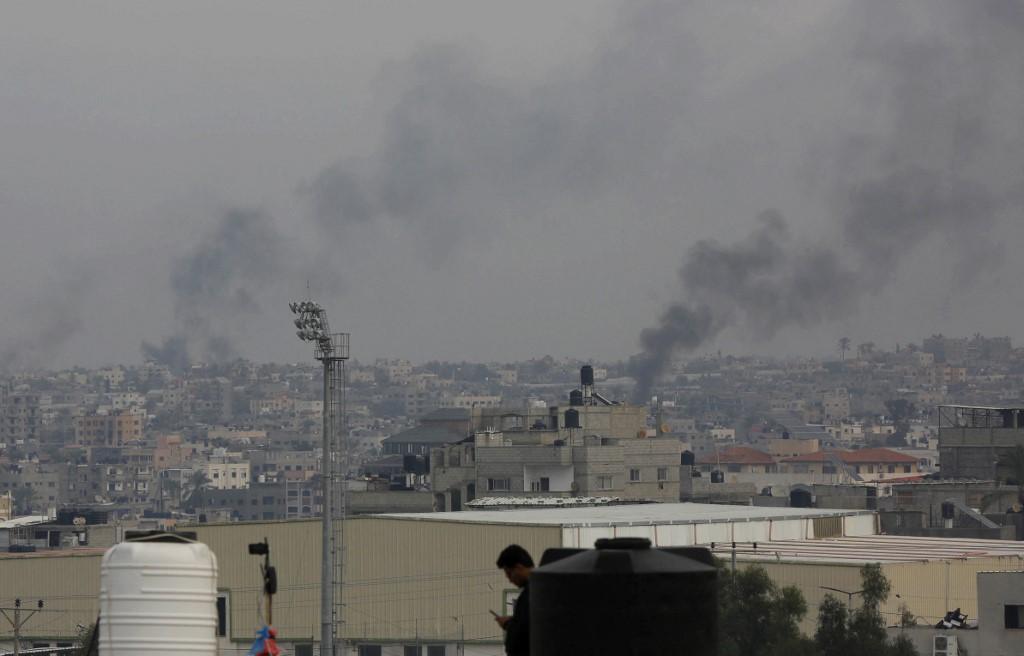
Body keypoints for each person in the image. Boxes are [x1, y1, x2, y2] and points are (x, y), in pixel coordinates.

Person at [494, 544, 534, 656]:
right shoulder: (535, 590)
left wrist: (508, 624)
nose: (510, 580)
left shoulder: (533, 594)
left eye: (509, 574)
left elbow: (523, 633)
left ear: (518, 568)